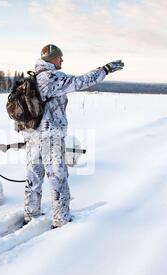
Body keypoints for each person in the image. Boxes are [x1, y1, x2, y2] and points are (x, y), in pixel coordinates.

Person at [23, 44, 124, 228]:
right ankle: (61, 219)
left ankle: (31, 214)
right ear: (51, 59)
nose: (62, 60)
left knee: (34, 176)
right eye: (59, 57)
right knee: (58, 177)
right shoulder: (52, 77)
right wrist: (104, 70)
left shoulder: (34, 78)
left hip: (32, 135)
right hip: (50, 135)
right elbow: (81, 82)